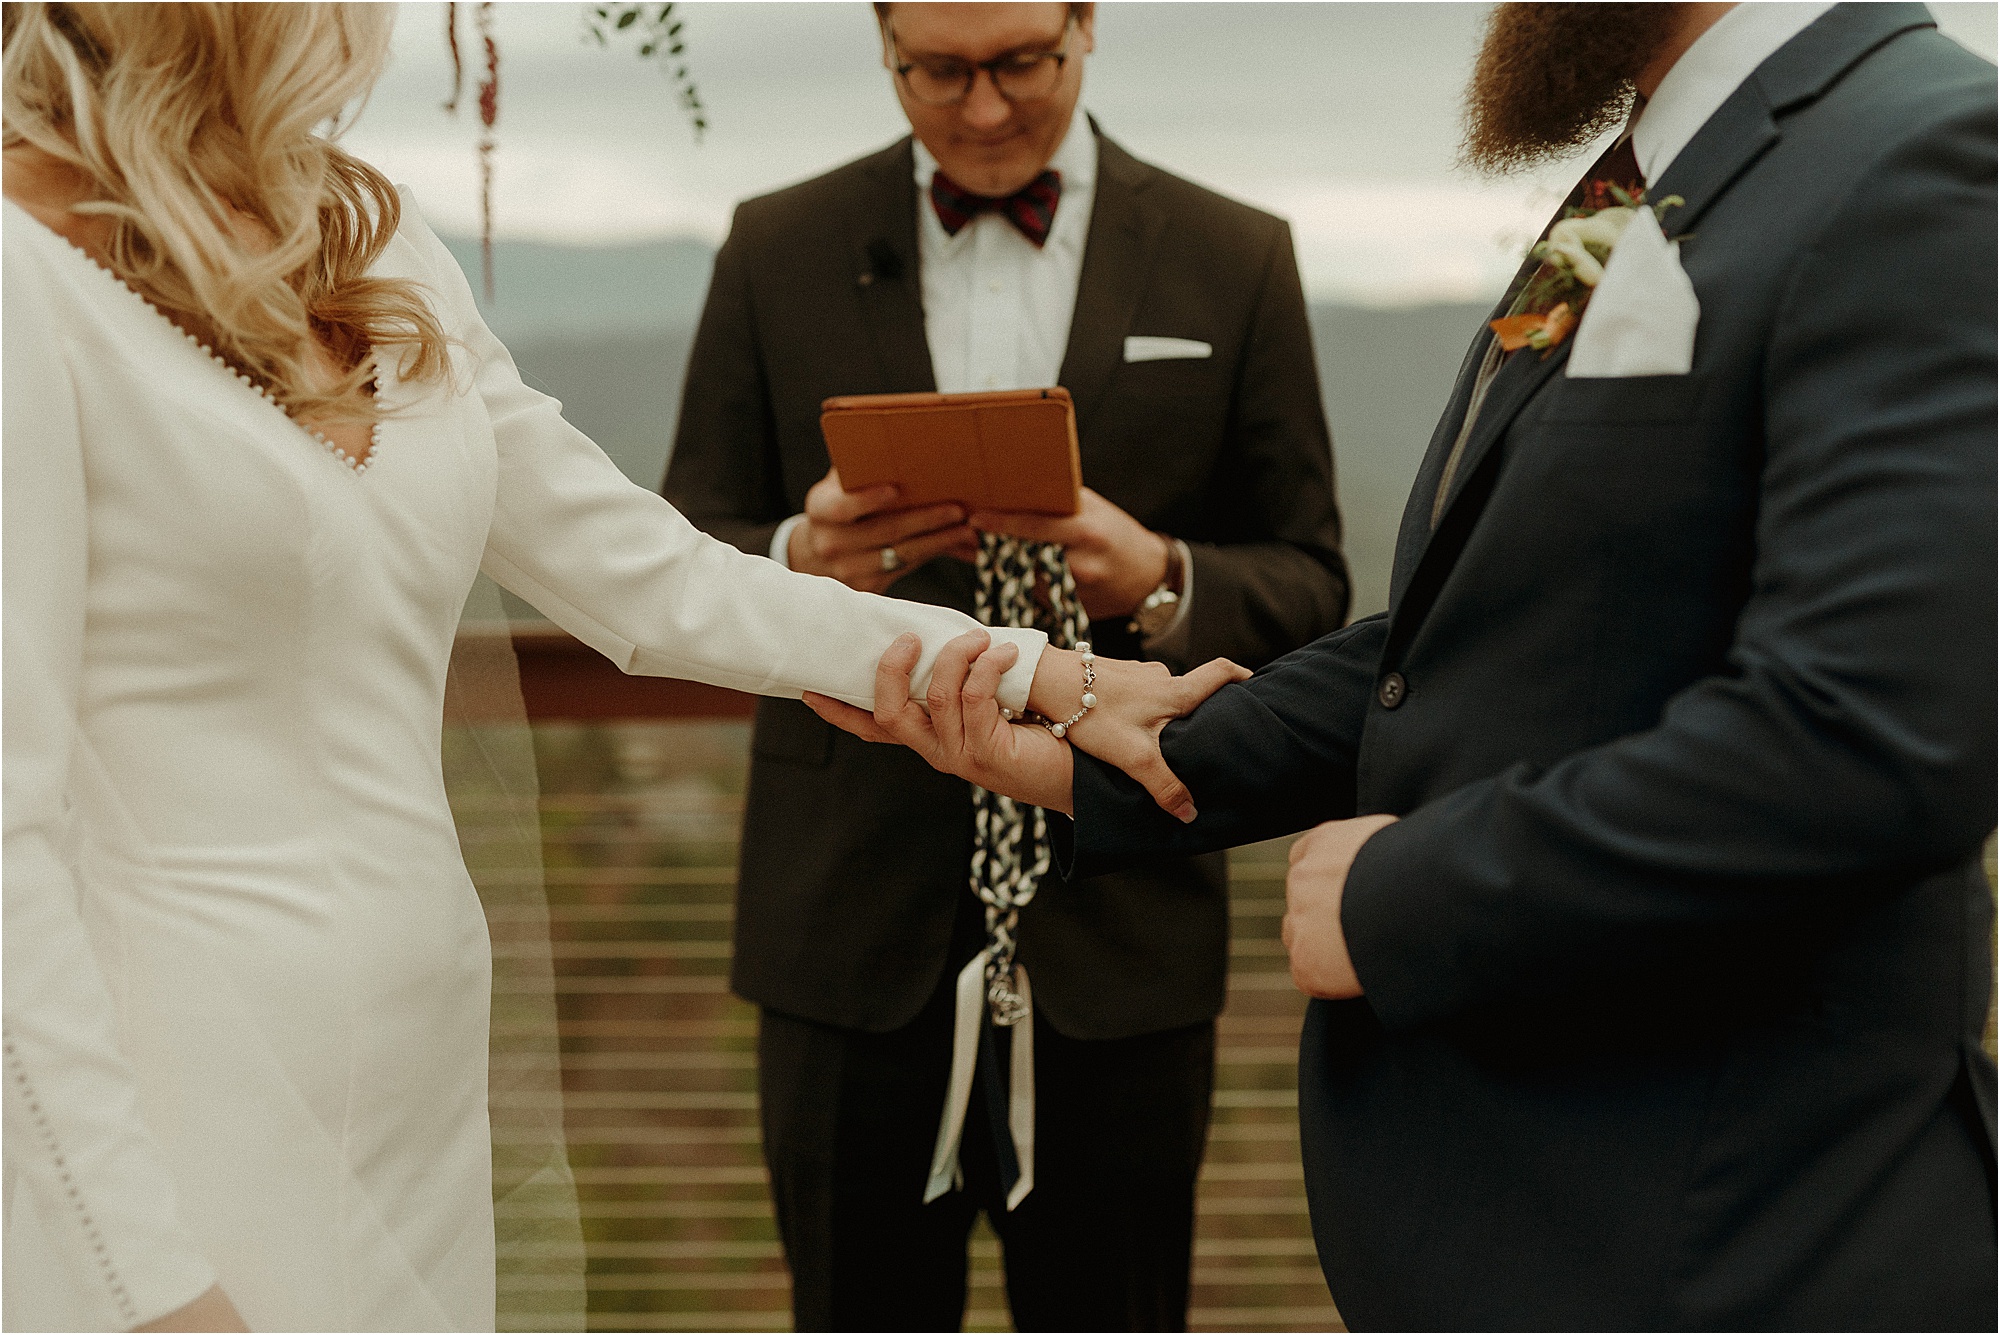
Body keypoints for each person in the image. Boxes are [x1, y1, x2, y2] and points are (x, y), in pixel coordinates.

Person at [0, 5, 1234, 1330]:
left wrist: (1047, 676)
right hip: (169, 1091)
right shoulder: (20, 275)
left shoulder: (370, 235)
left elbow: (655, 577)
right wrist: (145, 1280)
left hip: (419, 1073)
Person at [817, 2, 1998, 1328]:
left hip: (1727, 1234)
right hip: (1535, 1219)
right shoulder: (1649, 172)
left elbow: (1880, 738)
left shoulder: (1923, 153)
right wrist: (1115, 742)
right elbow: (1496, 619)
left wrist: (1402, 894)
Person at [663, 3, 1348, 1327]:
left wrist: (1152, 572)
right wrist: (809, 549)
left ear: (1086, 25)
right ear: (881, 45)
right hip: (847, 932)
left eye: (1020, 63)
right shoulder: (775, 245)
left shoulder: (1234, 254)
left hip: (1125, 930)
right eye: (939, 72)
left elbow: (1312, 581)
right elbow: (688, 544)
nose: (981, 109)